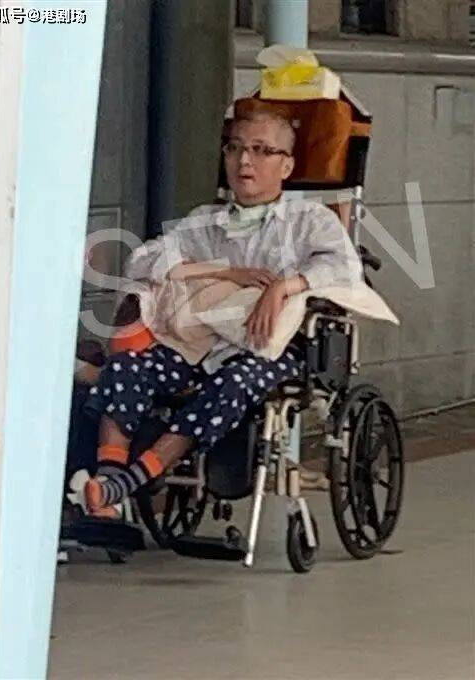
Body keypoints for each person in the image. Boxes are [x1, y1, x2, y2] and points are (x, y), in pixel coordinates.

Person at [84, 105, 362, 514]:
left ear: (287, 166)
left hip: (272, 350)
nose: (245, 160)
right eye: (235, 148)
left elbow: (345, 268)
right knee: (126, 367)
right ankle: (107, 484)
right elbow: (142, 261)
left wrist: (284, 286)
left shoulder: (308, 221)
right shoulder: (205, 221)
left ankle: (132, 479)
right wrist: (224, 272)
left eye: (261, 150)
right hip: (199, 346)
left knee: (234, 381)